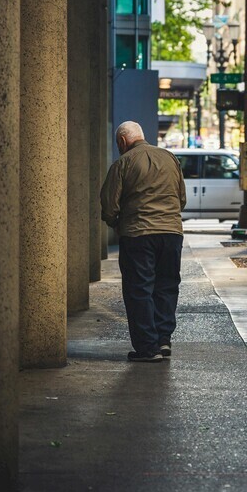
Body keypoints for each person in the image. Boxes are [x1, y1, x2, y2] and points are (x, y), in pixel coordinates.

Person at [100, 121, 187, 363]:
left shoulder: (123, 163)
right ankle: (163, 339)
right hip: (171, 234)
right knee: (167, 286)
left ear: (122, 142)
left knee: (139, 290)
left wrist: (117, 223)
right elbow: (181, 199)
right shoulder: (170, 158)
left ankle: (148, 348)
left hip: (137, 235)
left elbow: (109, 205)